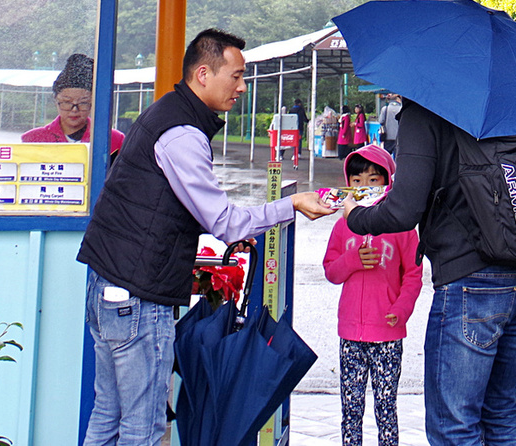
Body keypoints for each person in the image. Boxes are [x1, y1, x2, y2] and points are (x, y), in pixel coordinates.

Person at [76, 28, 334, 446]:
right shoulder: (183, 134)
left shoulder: (167, 114)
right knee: (142, 428)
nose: (242, 86)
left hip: (108, 285)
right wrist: (293, 205)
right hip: (138, 298)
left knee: (109, 416)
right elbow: (225, 222)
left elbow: (170, 204)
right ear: (202, 74)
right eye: (234, 76)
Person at [344, 100, 516, 446]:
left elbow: (403, 210)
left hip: (471, 279)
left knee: (454, 424)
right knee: (500, 412)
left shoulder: (425, 110)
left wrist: (355, 216)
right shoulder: (505, 100)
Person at [323, 144, 421, 446]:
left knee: (385, 405)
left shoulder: (403, 229)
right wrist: (352, 261)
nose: (364, 186)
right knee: (351, 408)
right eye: (357, 181)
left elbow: (414, 275)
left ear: (387, 182)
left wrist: (401, 309)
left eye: (373, 179)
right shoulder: (342, 227)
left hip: (388, 335)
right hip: (351, 334)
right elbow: (331, 271)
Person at [23, 53, 125, 154]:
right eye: (67, 102)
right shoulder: (33, 139)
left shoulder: (114, 140)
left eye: (83, 103)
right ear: (56, 101)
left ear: (93, 103)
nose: (74, 110)